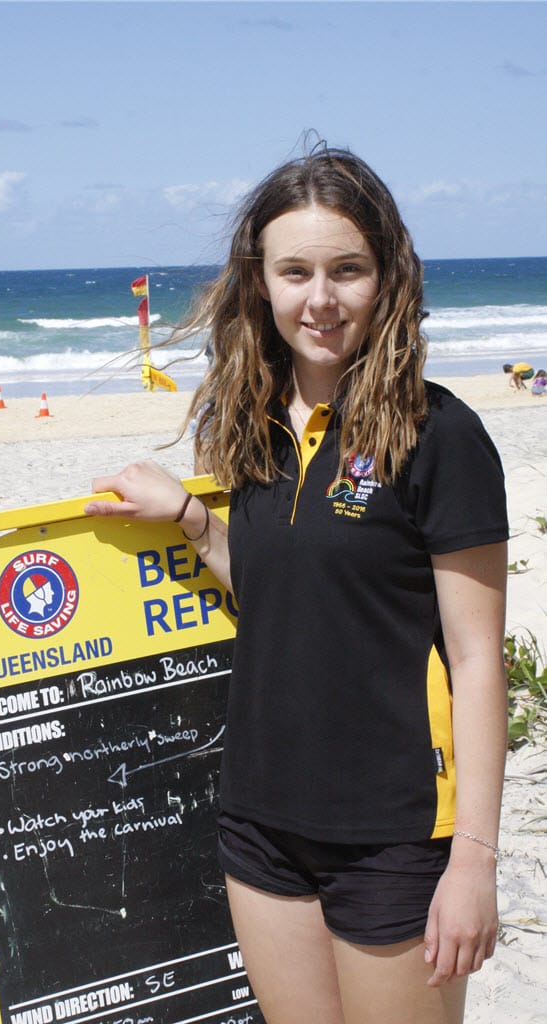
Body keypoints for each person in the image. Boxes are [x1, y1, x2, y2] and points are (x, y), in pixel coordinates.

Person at [85, 143, 509, 1024]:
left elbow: (476, 660)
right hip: (261, 821)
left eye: (346, 270)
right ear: (260, 283)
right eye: (295, 272)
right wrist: (194, 520)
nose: (320, 299)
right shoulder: (250, 425)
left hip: (394, 831)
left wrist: (473, 859)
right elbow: (288, 599)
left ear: (386, 278)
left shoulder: (438, 435)